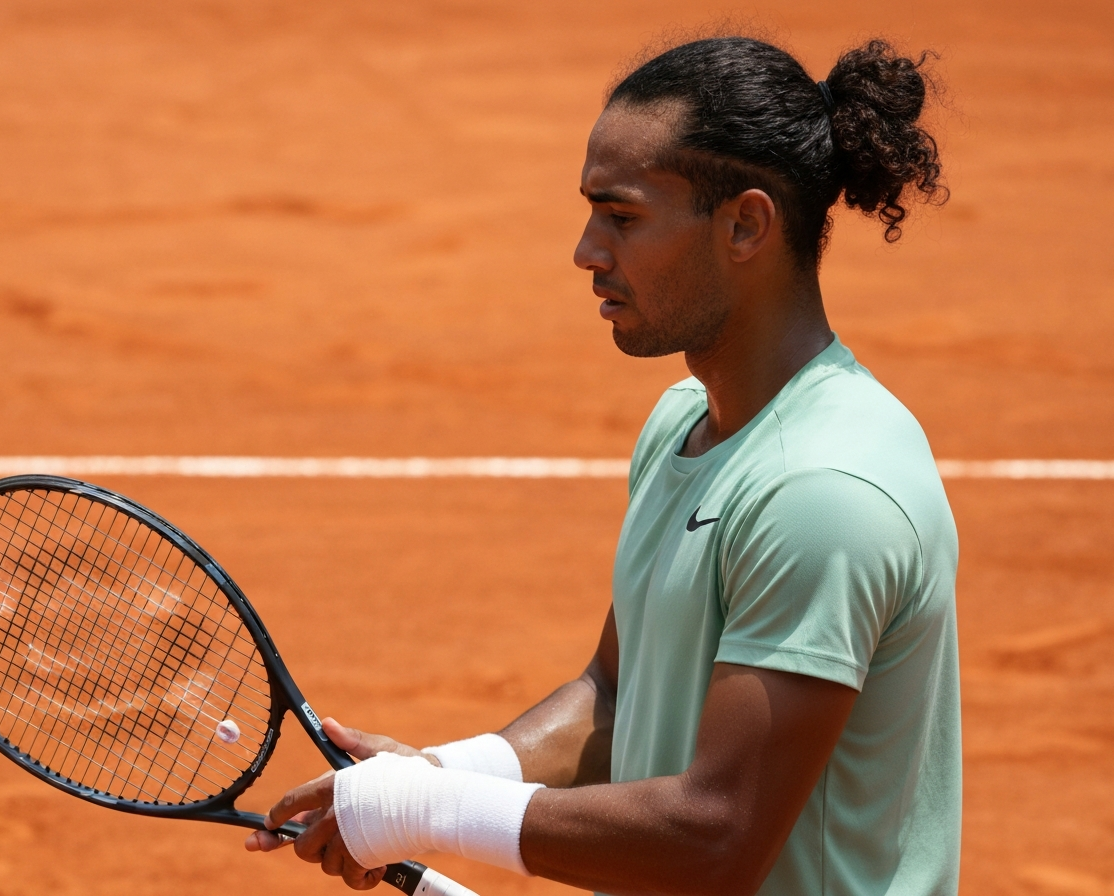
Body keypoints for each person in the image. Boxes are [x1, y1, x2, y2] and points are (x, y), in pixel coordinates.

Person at [245, 35, 960, 896]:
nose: (587, 251)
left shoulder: (824, 496)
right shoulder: (684, 425)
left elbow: (717, 836)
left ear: (745, 225)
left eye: (622, 217)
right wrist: (442, 774)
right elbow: (619, 698)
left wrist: (425, 811)